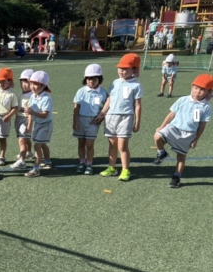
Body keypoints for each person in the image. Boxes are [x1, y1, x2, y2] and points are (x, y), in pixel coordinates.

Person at [152, 74, 213, 188]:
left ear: (208, 92)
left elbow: (202, 125)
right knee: (157, 136)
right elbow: (171, 114)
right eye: (196, 88)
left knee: (181, 157)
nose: (198, 91)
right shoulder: (183, 100)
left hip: (188, 134)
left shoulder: (206, 107)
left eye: (202, 90)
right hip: (173, 128)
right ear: (192, 87)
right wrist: (162, 126)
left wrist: (196, 139)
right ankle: (162, 153)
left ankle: (176, 177)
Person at [93, 53, 143, 182]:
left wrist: (137, 122)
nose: (121, 71)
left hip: (125, 118)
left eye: (125, 68)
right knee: (112, 145)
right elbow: (109, 100)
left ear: (134, 70)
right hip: (111, 117)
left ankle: (125, 170)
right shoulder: (115, 83)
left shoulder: (136, 85)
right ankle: (112, 167)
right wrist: (102, 114)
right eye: (120, 68)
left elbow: (137, 105)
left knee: (122, 146)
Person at [72, 64, 108, 175]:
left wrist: (101, 117)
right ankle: (82, 162)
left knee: (89, 144)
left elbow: (107, 106)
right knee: (81, 143)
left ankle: (89, 164)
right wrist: (75, 121)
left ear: (99, 79)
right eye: (89, 78)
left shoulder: (103, 92)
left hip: (93, 122)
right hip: (81, 119)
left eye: (94, 79)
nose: (91, 81)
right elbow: (76, 107)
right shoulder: (81, 91)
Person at [23, 71, 53, 177]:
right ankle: (48, 161)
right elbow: (31, 112)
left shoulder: (46, 98)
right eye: (31, 83)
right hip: (38, 124)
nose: (32, 86)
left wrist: (32, 112)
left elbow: (45, 115)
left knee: (37, 146)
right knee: (42, 144)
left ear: (43, 86)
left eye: (35, 84)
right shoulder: (33, 96)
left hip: (45, 125)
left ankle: (36, 168)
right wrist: (29, 126)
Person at [0, 68, 18, 166]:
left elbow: (15, 108)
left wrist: (9, 116)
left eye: (3, 81)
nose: (0, 83)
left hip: (5, 119)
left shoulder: (11, 94)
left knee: (2, 139)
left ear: (9, 81)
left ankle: (2, 156)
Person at [10, 69, 34, 171]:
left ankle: (22, 161)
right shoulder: (21, 93)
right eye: (22, 82)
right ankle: (29, 152)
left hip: (26, 119)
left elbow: (31, 112)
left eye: (26, 82)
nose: (23, 84)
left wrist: (29, 125)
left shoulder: (32, 96)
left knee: (22, 140)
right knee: (26, 139)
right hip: (19, 119)